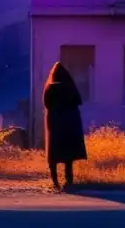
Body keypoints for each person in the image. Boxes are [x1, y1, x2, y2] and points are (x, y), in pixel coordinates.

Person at [42, 61, 87, 189]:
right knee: (68, 156)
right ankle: (69, 180)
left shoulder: (49, 88)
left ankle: (55, 180)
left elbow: (46, 104)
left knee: (53, 155)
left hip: (55, 126)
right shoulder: (69, 87)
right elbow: (78, 101)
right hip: (68, 125)